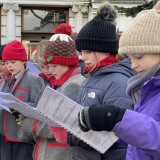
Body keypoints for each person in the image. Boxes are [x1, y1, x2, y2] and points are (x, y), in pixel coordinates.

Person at [78, 1, 160, 160]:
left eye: (139, 57)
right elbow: (138, 142)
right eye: (129, 58)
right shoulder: (146, 87)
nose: (133, 65)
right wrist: (112, 124)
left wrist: (118, 118)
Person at [67, 2, 135, 160]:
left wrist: (72, 136)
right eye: (82, 51)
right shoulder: (92, 76)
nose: (83, 57)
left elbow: (117, 136)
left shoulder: (118, 82)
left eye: (88, 51)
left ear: (105, 50)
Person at [18, 33, 85, 160]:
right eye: (48, 66)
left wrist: (27, 123)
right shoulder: (60, 82)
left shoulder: (73, 85)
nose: (50, 70)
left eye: (54, 66)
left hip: (59, 154)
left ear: (68, 63)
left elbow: (57, 125)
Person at [0, 40, 45, 160]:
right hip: (4, 135)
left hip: (22, 136)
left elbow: (38, 106)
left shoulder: (34, 79)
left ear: (23, 61)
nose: (9, 66)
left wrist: (18, 105)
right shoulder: (7, 79)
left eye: (13, 62)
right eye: (7, 62)